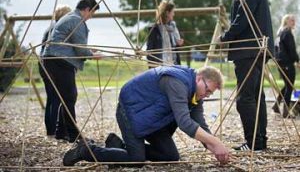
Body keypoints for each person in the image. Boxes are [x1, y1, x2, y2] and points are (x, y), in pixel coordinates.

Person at [63, 65, 230, 166]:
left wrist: (216, 148)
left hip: (153, 118)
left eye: (210, 93)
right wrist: (215, 142)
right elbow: (185, 123)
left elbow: (200, 123)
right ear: (199, 78)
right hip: (130, 112)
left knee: (170, 157)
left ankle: (117, 145)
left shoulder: (195, 94)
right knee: (136, 159)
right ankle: (86, 151)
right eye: (207, 89)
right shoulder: (178, 82)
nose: (207, 94)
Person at [219, 0, 274, 151]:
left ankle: (254, 143)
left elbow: (244, 18)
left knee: (246, 99)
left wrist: (226, 37)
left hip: (248, 50)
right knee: (256, 97)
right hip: (254, 50)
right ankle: (259, 141)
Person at [43, 0, 102, 142]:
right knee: (69, 96)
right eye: (92, 13)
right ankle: (73, 135)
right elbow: (81, 50)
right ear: (87, 9)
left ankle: (61, 132)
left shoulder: (71, 17)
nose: (91, 17)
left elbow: (74, 44)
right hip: (59, 60)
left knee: (66, 97)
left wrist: (90, 51)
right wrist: (94, 55)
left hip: (53, 59)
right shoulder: (77, 20)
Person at [39, 5, 71, 136]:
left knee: (51, 98)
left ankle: (50, 130)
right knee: (57, 98)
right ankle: (55, 131)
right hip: (52, 65)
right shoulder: (60, 28)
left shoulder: (50, 28)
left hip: (43, 64)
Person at [273, 14, 299, 118]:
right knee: (289, 86)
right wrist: (297, 60)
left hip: (280, 62)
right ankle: (286, 111)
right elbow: (291, 49)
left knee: (287, 85)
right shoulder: (287, 33)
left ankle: (276, 105)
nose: (294, 22)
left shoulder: (280, 33)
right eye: (292, 20)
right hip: (287, 62)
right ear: (286, 21)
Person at [146, 0, 181, 68]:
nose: (174, 14)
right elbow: (149, 52)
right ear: (167, 13)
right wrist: (153, 68)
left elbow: (174, 50)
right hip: (160, 67)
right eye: (172, 12)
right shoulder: (154, 29)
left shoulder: (172, 28)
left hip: (173, 65)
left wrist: (178, 44)